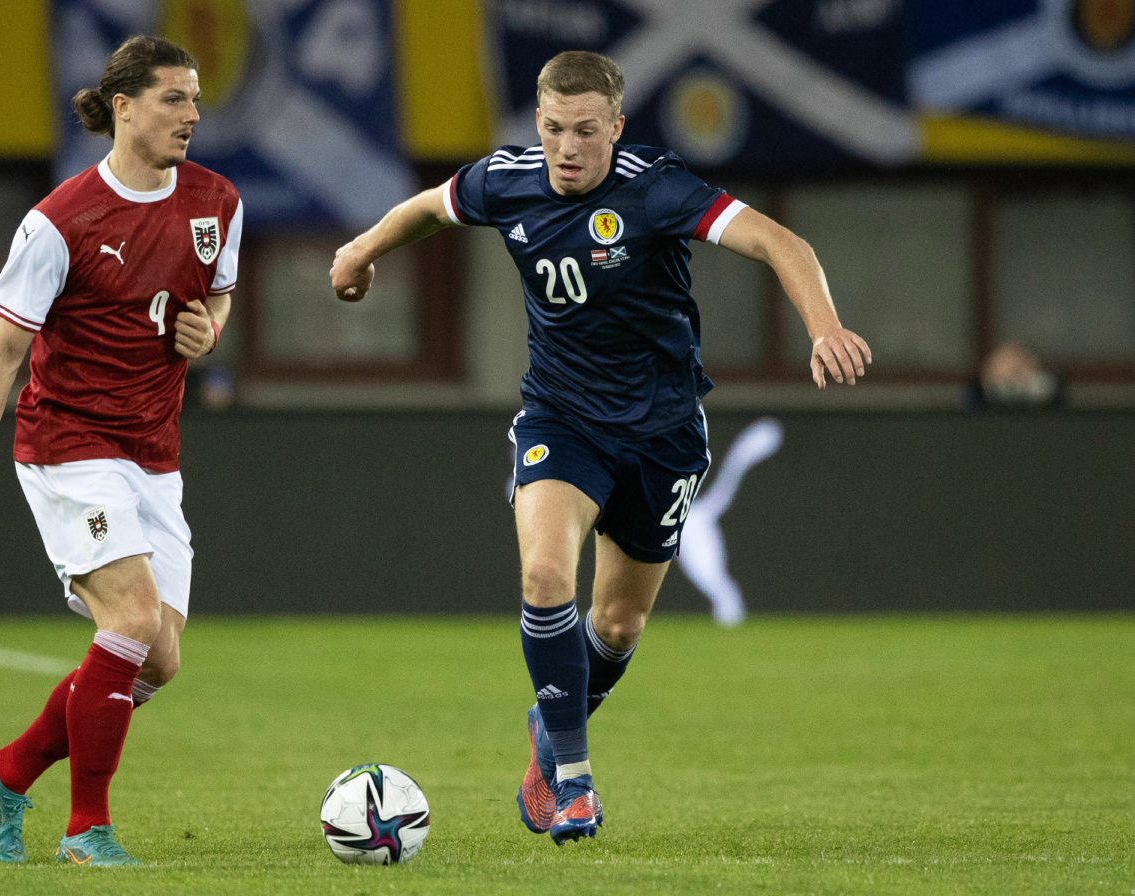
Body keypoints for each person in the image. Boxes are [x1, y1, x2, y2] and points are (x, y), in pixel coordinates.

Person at [330, 50, 871, 845]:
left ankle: (550, 725)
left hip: (663, 431)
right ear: (537, 124)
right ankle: (575, 783)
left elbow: (779, 242)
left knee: (617, 624)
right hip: (562, 419)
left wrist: (823, 327)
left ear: (616, 126)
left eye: (587, 130)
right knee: (547, 571)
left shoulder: (657, 188)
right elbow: (428, 207)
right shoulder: (505, 179)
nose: (568, 147)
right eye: (553, 129)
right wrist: (360, 252)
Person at [0, 35, 242, 866]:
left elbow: (217, 296)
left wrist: (206, 334)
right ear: (124, 107)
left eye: (196, 97)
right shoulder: (60, 220)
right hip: (67, 443)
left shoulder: (216, 200)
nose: (192, 113)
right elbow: (1, 355)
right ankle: (85, 832)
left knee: (159, 660)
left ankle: (7, 770)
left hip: (153, 452)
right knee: (133, 620)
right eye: (174, 98)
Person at [675, 416, 785, 627]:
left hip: (692, 520)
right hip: (684, 515)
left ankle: (730, 611)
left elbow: (721, 490)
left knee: (709, 575)